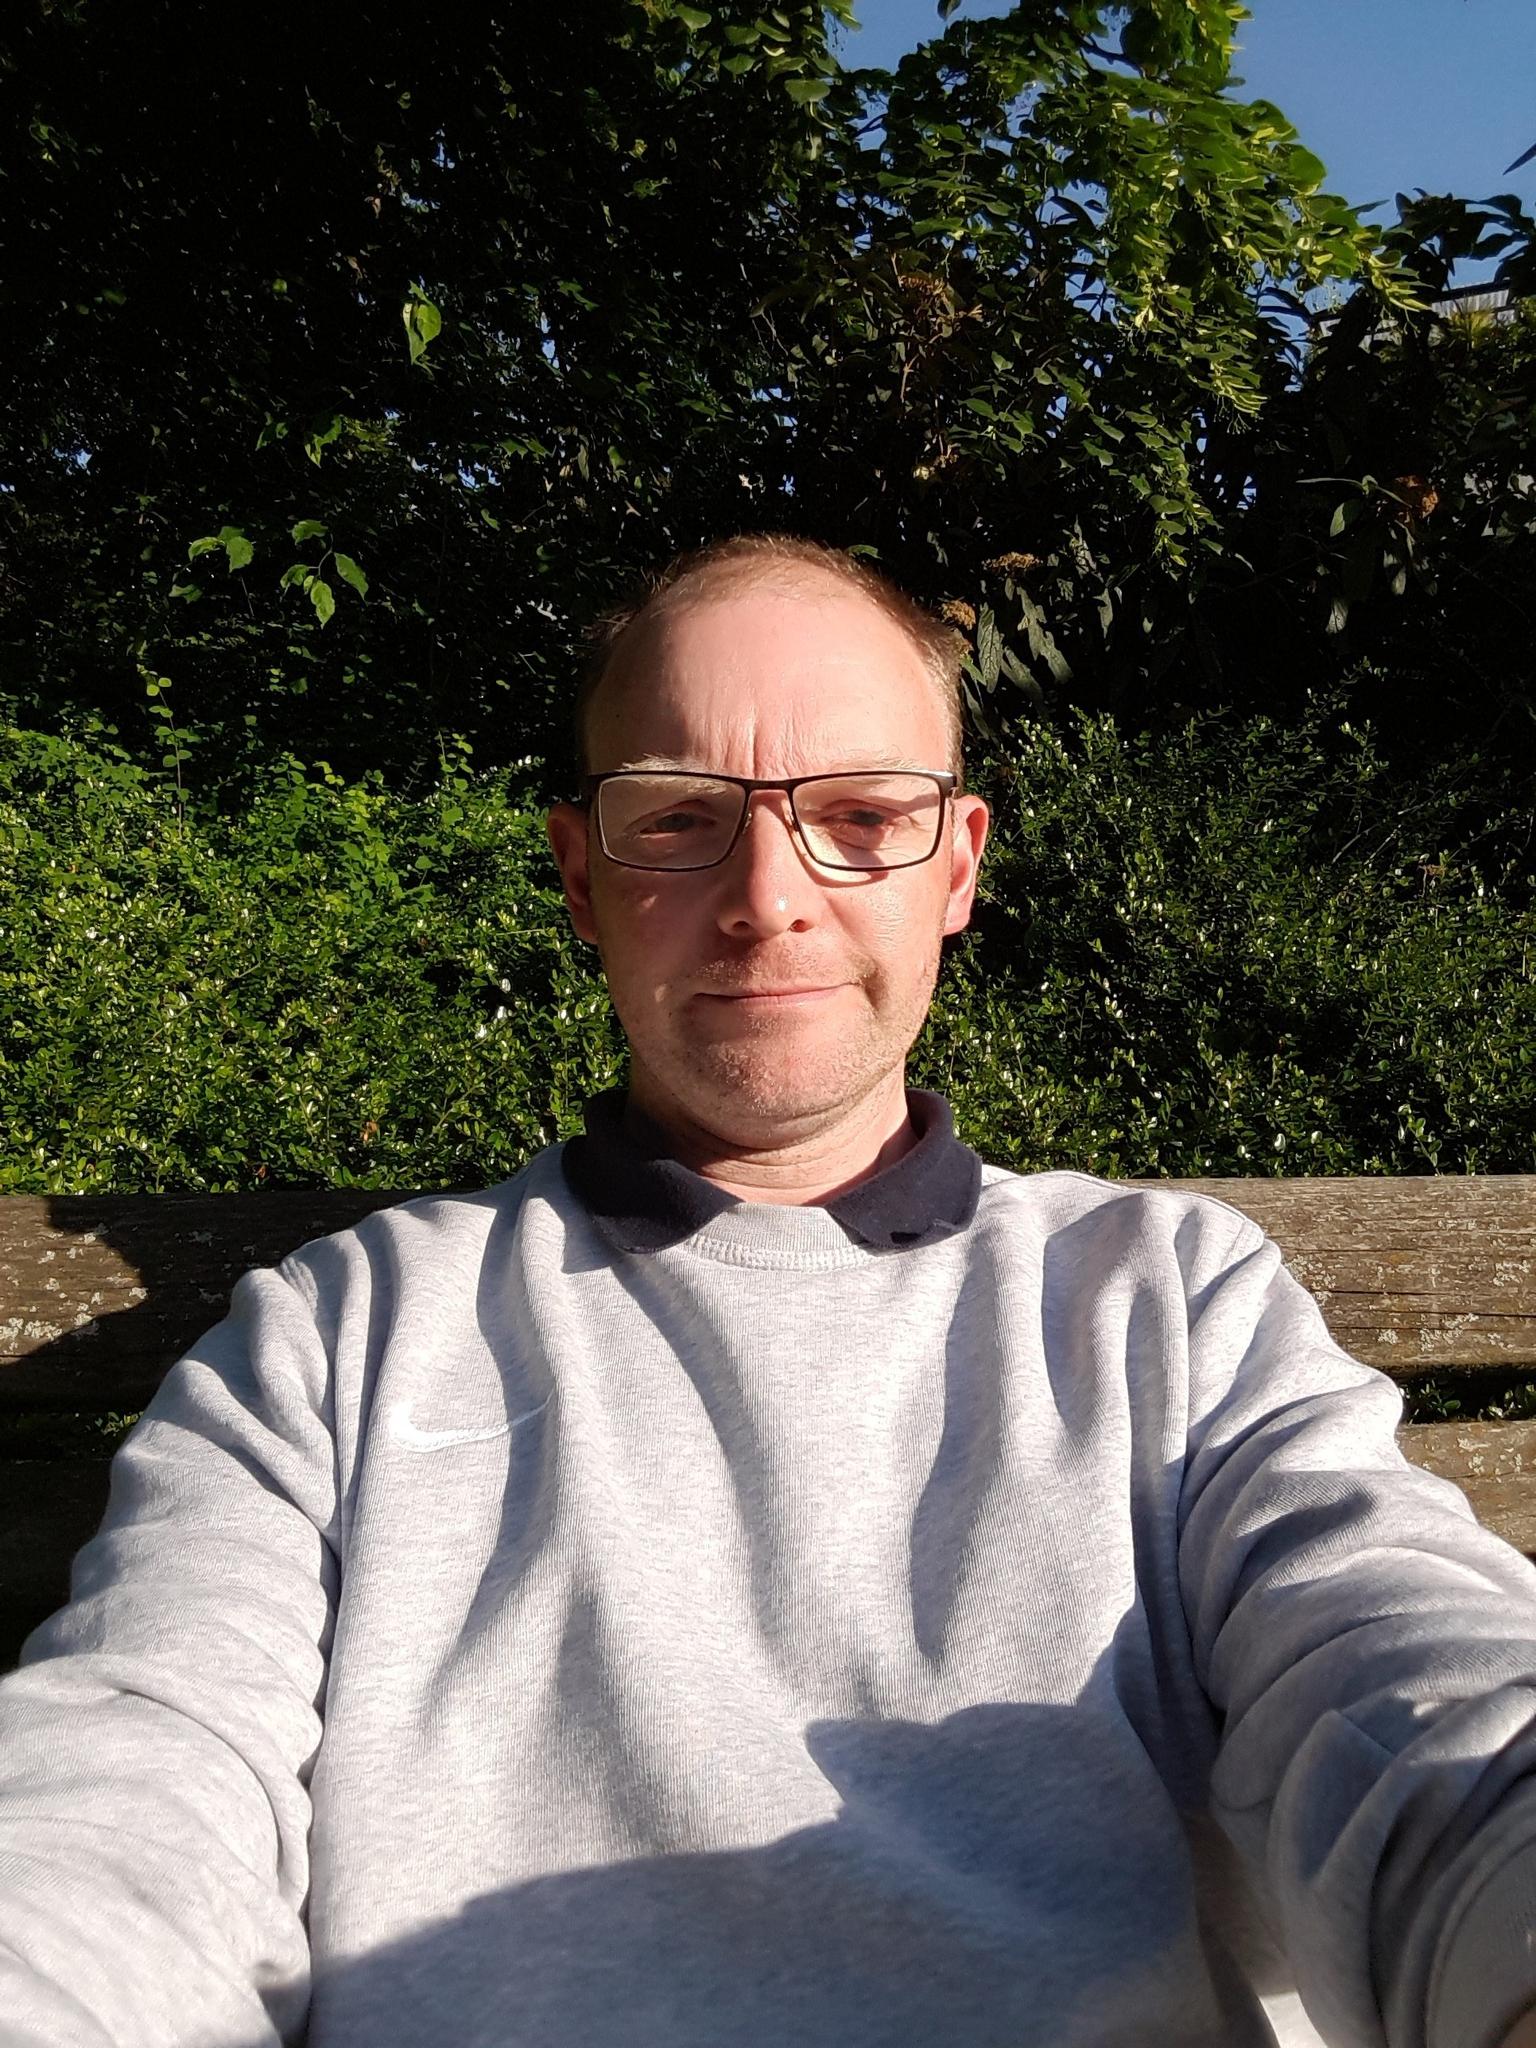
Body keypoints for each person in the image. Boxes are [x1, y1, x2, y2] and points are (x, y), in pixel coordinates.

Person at [2, 533, 1536, 2048]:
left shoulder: (1170, 1303)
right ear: (581, 875)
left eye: (861, 817)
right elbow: (141, 1769)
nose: (766, 894)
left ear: (957, 866)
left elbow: (1394, 1658)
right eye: (678, 819)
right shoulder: (338, 1337)